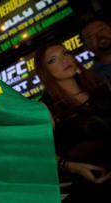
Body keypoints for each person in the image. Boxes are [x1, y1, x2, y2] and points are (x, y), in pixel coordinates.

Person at [34, 43, 111, 202]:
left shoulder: (98, 83)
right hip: (95, 183)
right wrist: (73, 167)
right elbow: (40, 153)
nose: (64, 60)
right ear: (45, 71)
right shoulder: (45, 107)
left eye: (65, 53)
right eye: (52, 60)